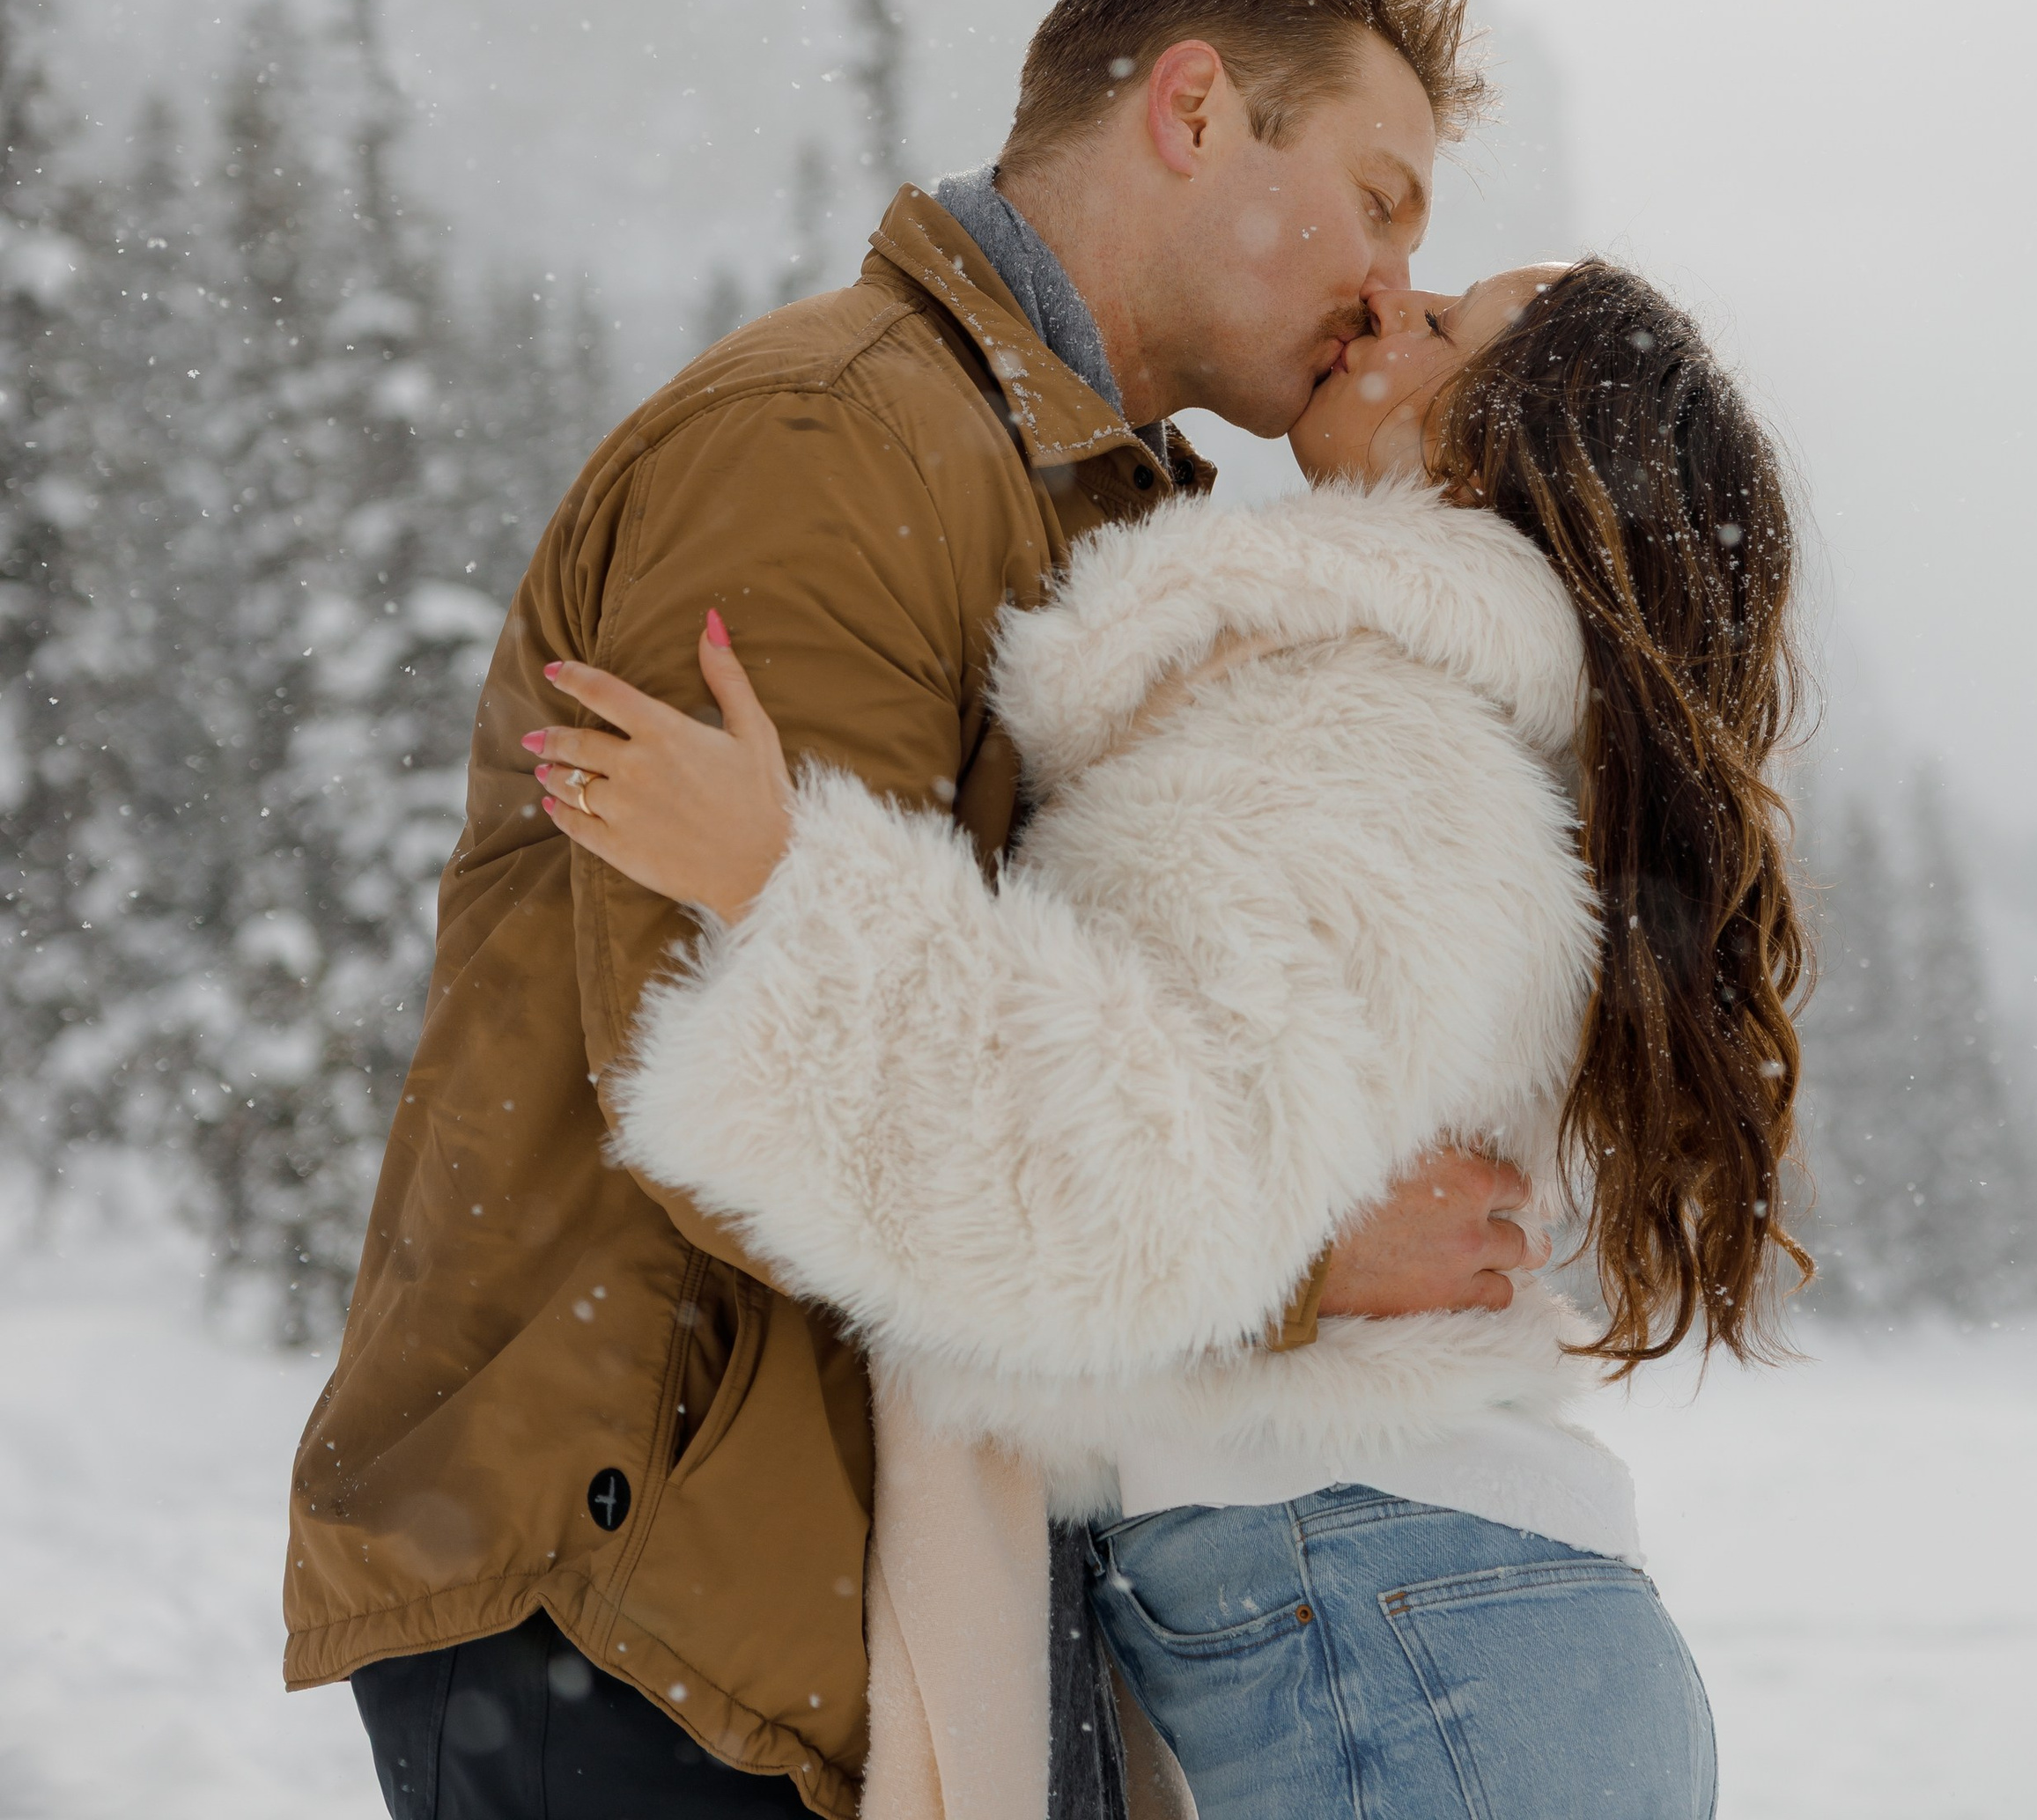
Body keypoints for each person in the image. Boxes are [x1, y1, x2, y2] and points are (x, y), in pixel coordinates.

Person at [289, 0, 1551, 1820]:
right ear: (1195, 110)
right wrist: (1294, 1255)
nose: (1391, 287)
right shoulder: (830, 445)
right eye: (1376, 203)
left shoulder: (1044, 497)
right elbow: (742, 1070)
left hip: (789, 1590)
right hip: (645, 1599)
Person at [534, 255, 1811, 1820]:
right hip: (1439, 1626)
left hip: (1396, 1624)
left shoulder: (1360, 721)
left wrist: (784, 881)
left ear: (1496, 452)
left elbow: (1115, 1192)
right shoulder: (1449, 722)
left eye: (1445, 328)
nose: (1389, 302)